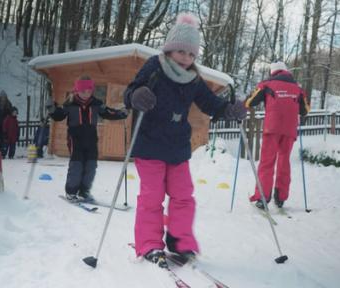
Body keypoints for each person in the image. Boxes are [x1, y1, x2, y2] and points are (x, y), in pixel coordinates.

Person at [123, 13, 247, 268]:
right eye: (181, 52)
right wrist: (137, 95)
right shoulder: (154, 67)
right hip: (149, 144)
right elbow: (129, 92)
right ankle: (149, 244)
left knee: (183, 196)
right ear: (169, 49)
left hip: (178, 148)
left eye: (191, 55)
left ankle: (180, 241)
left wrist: (228, 109)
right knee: (152, 197)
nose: (186, 59)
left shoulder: (193, 78)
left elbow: (209, 103)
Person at [47, 75, 128, 202]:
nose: (86, 93)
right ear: (77, 90)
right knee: (77, 165)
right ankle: (71, 192)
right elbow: (58, 116)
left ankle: (84, 191)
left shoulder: (96, 104)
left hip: (91, 139)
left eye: (89, 91)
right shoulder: (70, 104)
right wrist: (52, 109)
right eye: (83, 91)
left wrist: (120, 113)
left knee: (91, 165)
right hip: (75, 139)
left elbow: (108, 113)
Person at [245, 61, 310, 210]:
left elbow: (250, 102)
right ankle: (280, 198)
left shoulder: (266, 84)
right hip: (289, 130)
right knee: (284, 161)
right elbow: (305, 110)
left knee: (267, 162)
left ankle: (263, 197)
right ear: (286, 72)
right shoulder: (298, 89)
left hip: (271, 128)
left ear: (272, 72)